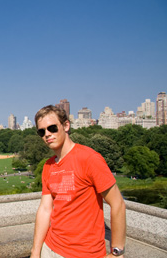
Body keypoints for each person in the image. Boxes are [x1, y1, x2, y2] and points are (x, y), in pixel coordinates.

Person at [30, 105, 126, 258]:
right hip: (50, 248)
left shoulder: (89, 158)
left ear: (66, 125)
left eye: (52, 128)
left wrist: (117, 252)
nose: (47, 134)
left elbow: (118, 204)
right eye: (42, 131)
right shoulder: (48, 166)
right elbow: (45, 210)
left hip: (84, 253)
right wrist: (35, 251)